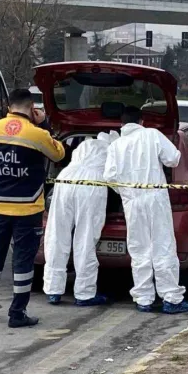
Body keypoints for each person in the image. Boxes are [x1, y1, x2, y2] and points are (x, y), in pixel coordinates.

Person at [0, 89, 66, 328]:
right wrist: (44, 123)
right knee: (23, 263)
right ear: (31, 107)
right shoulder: (36, 134)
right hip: (27, 210)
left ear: (8, 105)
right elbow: (59, 153)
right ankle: (17, 314)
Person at [104, 107, 188, 314]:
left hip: (131, 201)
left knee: (139, 248)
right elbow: (173, 159)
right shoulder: (152, 135)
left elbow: (109, 177)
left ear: (122, 125)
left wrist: (124, 190)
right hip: (155, 198)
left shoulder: (115, 145)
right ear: (141, 121)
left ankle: (143, 298)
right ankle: (171, 298)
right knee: (163, 246)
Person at [43, 131, 119, 307]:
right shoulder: (112, 148)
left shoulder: (85, 144)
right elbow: (114, 176)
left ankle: (53, 289)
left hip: (66, 178)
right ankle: (84, 293)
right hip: (91, 183)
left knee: (57, 233)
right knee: (85, 238)